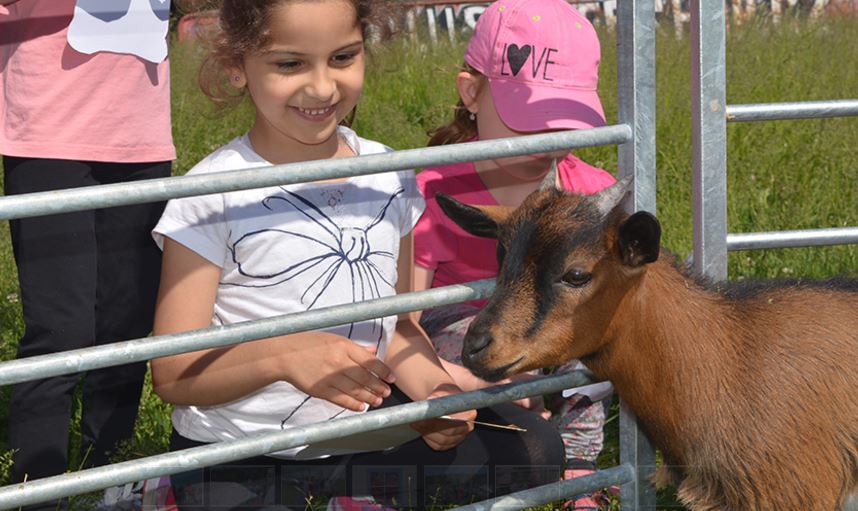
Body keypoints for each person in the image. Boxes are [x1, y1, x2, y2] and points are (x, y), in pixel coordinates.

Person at [150, 0, 564, 509]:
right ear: (238, 68)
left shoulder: (390, 173)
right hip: (241, 452)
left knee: (535, 449)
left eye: (343, 57)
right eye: (289, 63)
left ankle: (353, 494)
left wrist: (434, 394)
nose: (323, 87)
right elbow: (173, 371)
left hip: (362, 437)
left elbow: (397, 323)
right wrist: (281, 354)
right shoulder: (211, 194)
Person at [411, 0, 617, 508]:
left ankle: (577, 460)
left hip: (556, 321)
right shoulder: (431, 193)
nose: (547, 141)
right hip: (462, 334)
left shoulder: (593, 192)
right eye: (529, 117)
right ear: (471, 92)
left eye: (564, 121)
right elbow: (400, 316)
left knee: (601, 343)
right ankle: (511, 424)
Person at [0, 1, 180, 509]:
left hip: (139, 135)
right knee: (62, 327)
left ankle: (112, 472)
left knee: (129, 318)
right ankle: (39, 485)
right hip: (48, 132)